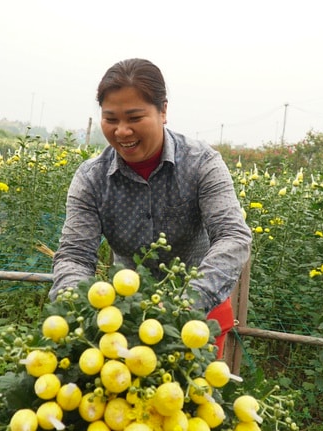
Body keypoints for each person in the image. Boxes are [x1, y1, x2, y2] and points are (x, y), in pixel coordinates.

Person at [50, 58, 252, 358]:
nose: (122, 131)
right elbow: (75, 255)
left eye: (134, 118)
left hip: (198, 320)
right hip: (125, 323)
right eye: (111, 119)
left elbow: (233, 236)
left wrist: (184, 303)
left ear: (164, 111)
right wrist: (76, 310)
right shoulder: (91, 179)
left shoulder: (201, 163)